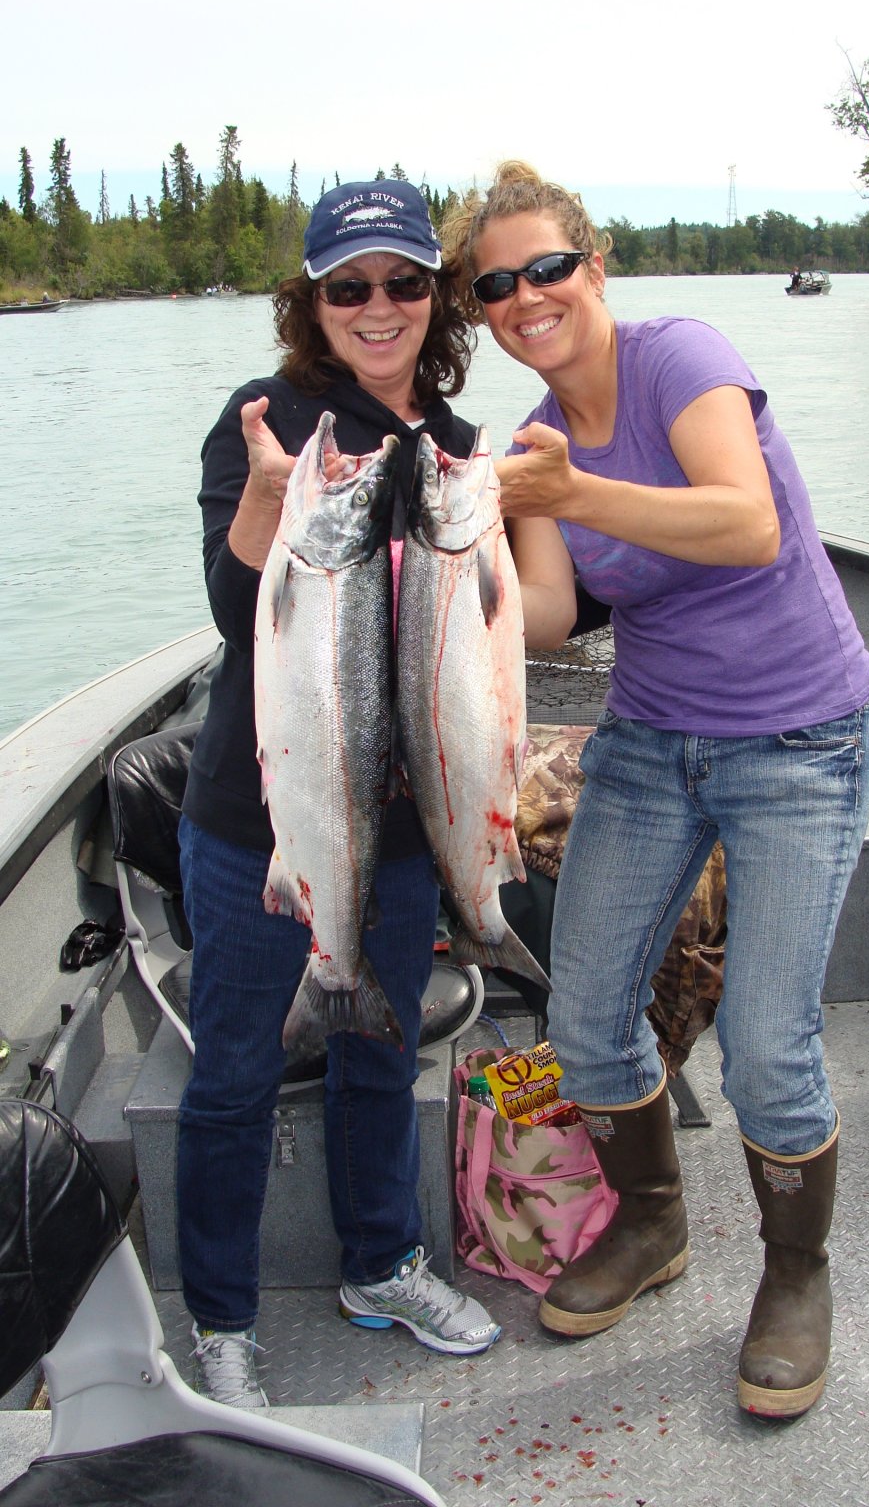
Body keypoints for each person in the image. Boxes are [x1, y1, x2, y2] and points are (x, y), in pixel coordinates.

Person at [441, 161, 869, 1420]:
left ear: (594, 265)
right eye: (495, 286)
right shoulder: (531, 448)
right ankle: (650, 1222)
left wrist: (571, 492)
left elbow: (746, 524)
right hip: (651, 739)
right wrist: (439, 557)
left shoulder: (684, 357)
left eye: (547, 269)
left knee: (767, 1046)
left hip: (797, 741)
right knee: (582, 1011)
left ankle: (795, 1274)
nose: (526, 298)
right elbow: (554, 618)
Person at [177, 178, 500, 1410]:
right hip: (266, 815)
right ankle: (221, 1318)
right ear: (311, 301)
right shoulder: (267, 421)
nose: (378, 307)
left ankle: (383, 1262)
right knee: (235, 1074)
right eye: (348, 286)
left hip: (404, 819)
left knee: (378, 1048)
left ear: (436, 293)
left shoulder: (458, 444)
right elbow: (230, 610)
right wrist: (269, 491)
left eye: (403, 282)